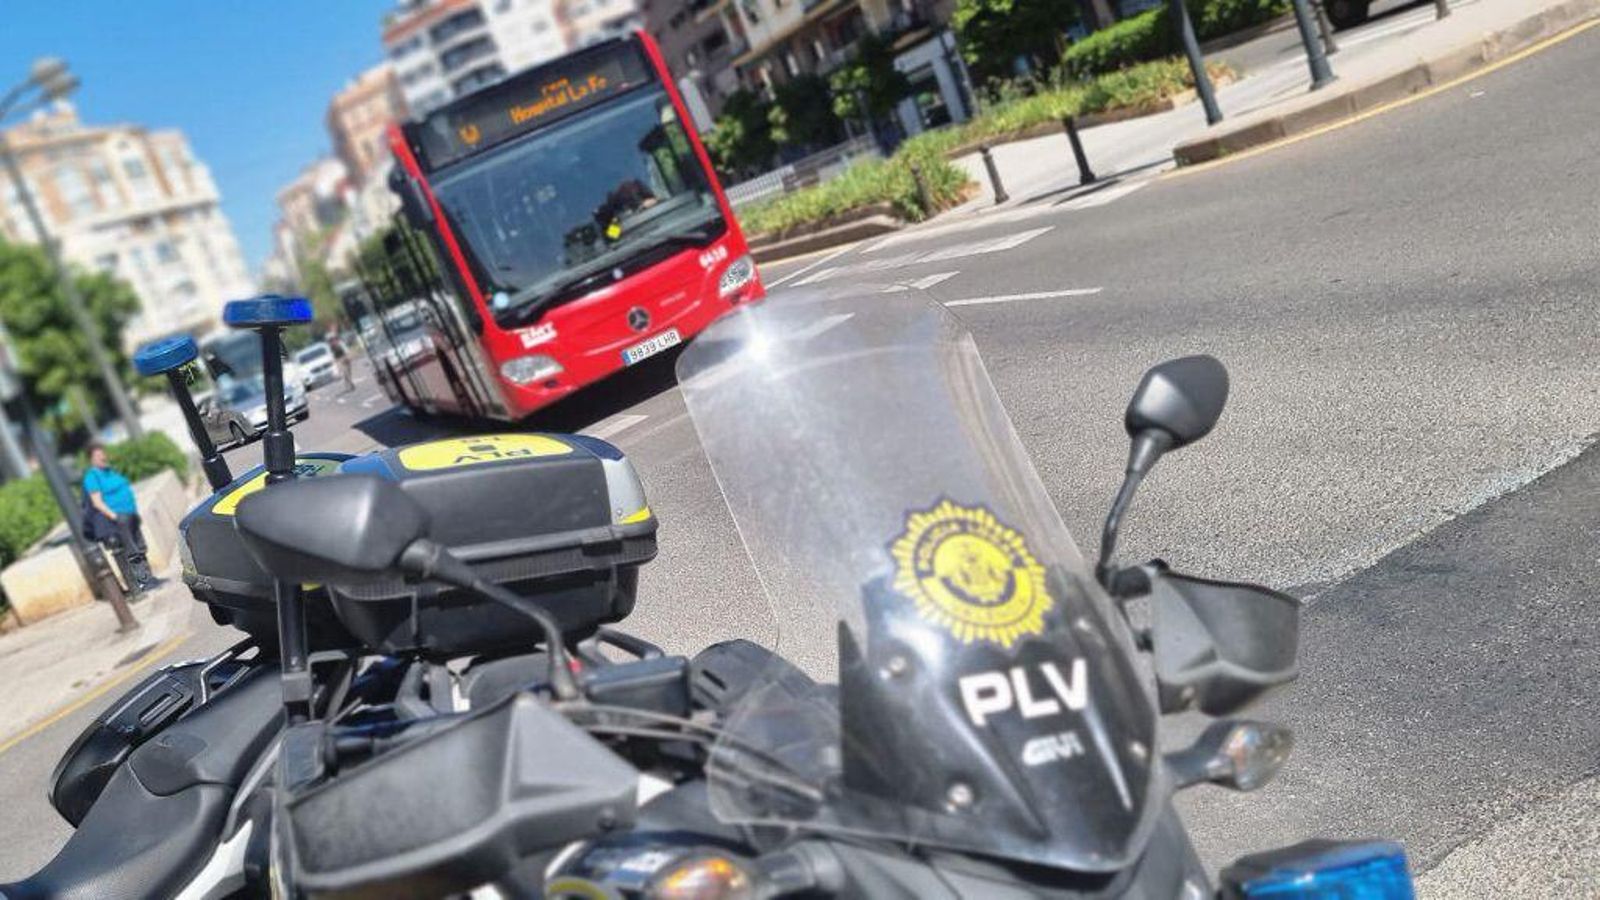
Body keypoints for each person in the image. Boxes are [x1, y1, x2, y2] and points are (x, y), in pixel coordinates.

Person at [82, 443, 158, 594]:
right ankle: (143, 582)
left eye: (103, 453)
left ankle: (149, 578)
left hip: (130, 514)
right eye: (98, 455)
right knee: (132, 550)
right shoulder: (92, 477)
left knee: (141, 546)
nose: (102, 457)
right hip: (119, 518)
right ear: (91, 459)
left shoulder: (110, 471)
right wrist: (115, 517)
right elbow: (97, 502)